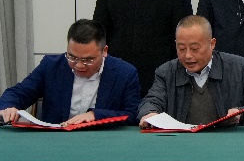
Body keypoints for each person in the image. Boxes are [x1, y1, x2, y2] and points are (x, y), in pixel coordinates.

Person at [138, 15, 244, 126]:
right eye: (182, 49)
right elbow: (151, 101)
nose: (188, 55)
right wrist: (150, 114)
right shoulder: (166, 72)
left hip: (228, 142)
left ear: (212, 44)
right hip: (182, 142)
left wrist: (241, 114)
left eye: (195, 49)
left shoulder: (238, 67)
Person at [0, 19, 140, 126]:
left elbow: (132, 114)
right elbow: (18, 93)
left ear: (104, 51)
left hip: (102, 142)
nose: (79, 65)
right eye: (72, 57)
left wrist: (95, 115)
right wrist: (9, 107)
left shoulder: (125, 73)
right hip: (55, 141)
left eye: (88, 60)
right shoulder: (51, 66)